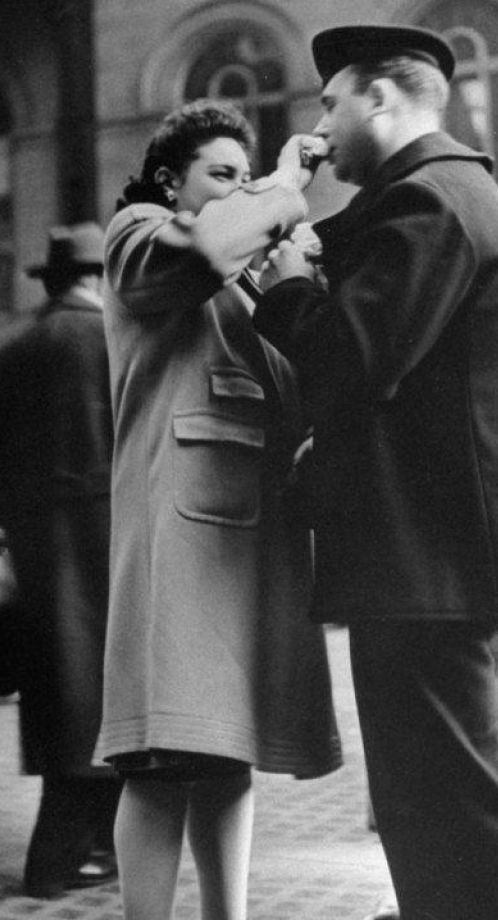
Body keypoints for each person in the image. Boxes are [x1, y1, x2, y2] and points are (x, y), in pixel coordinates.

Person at [250, 25, 498, 920]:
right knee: (435, 797)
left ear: (381, 97)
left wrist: (285, 281)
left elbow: (345, 363)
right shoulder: (446, 193)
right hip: (440, 553)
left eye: (331, 102)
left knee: (447, 803)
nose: (322, 125)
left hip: (430, 557)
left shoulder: (427, 202)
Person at [96, 98, 342, 920]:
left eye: (246, 175)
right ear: (171, 182)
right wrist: (279, 186)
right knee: (162, 757)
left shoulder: (241, 280)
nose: (240, 191)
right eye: (221, 175)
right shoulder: (139, 235)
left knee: (225, 753)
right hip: (181, 536)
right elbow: (208, 246)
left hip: (246, 540)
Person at [0, 224, 122, 896]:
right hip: (115, 544)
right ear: (95, 277)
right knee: (114, 704)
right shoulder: (118, 340)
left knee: (64, 702)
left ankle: (93, 850)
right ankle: (58, 862)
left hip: (39, 554)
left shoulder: (12, 353)